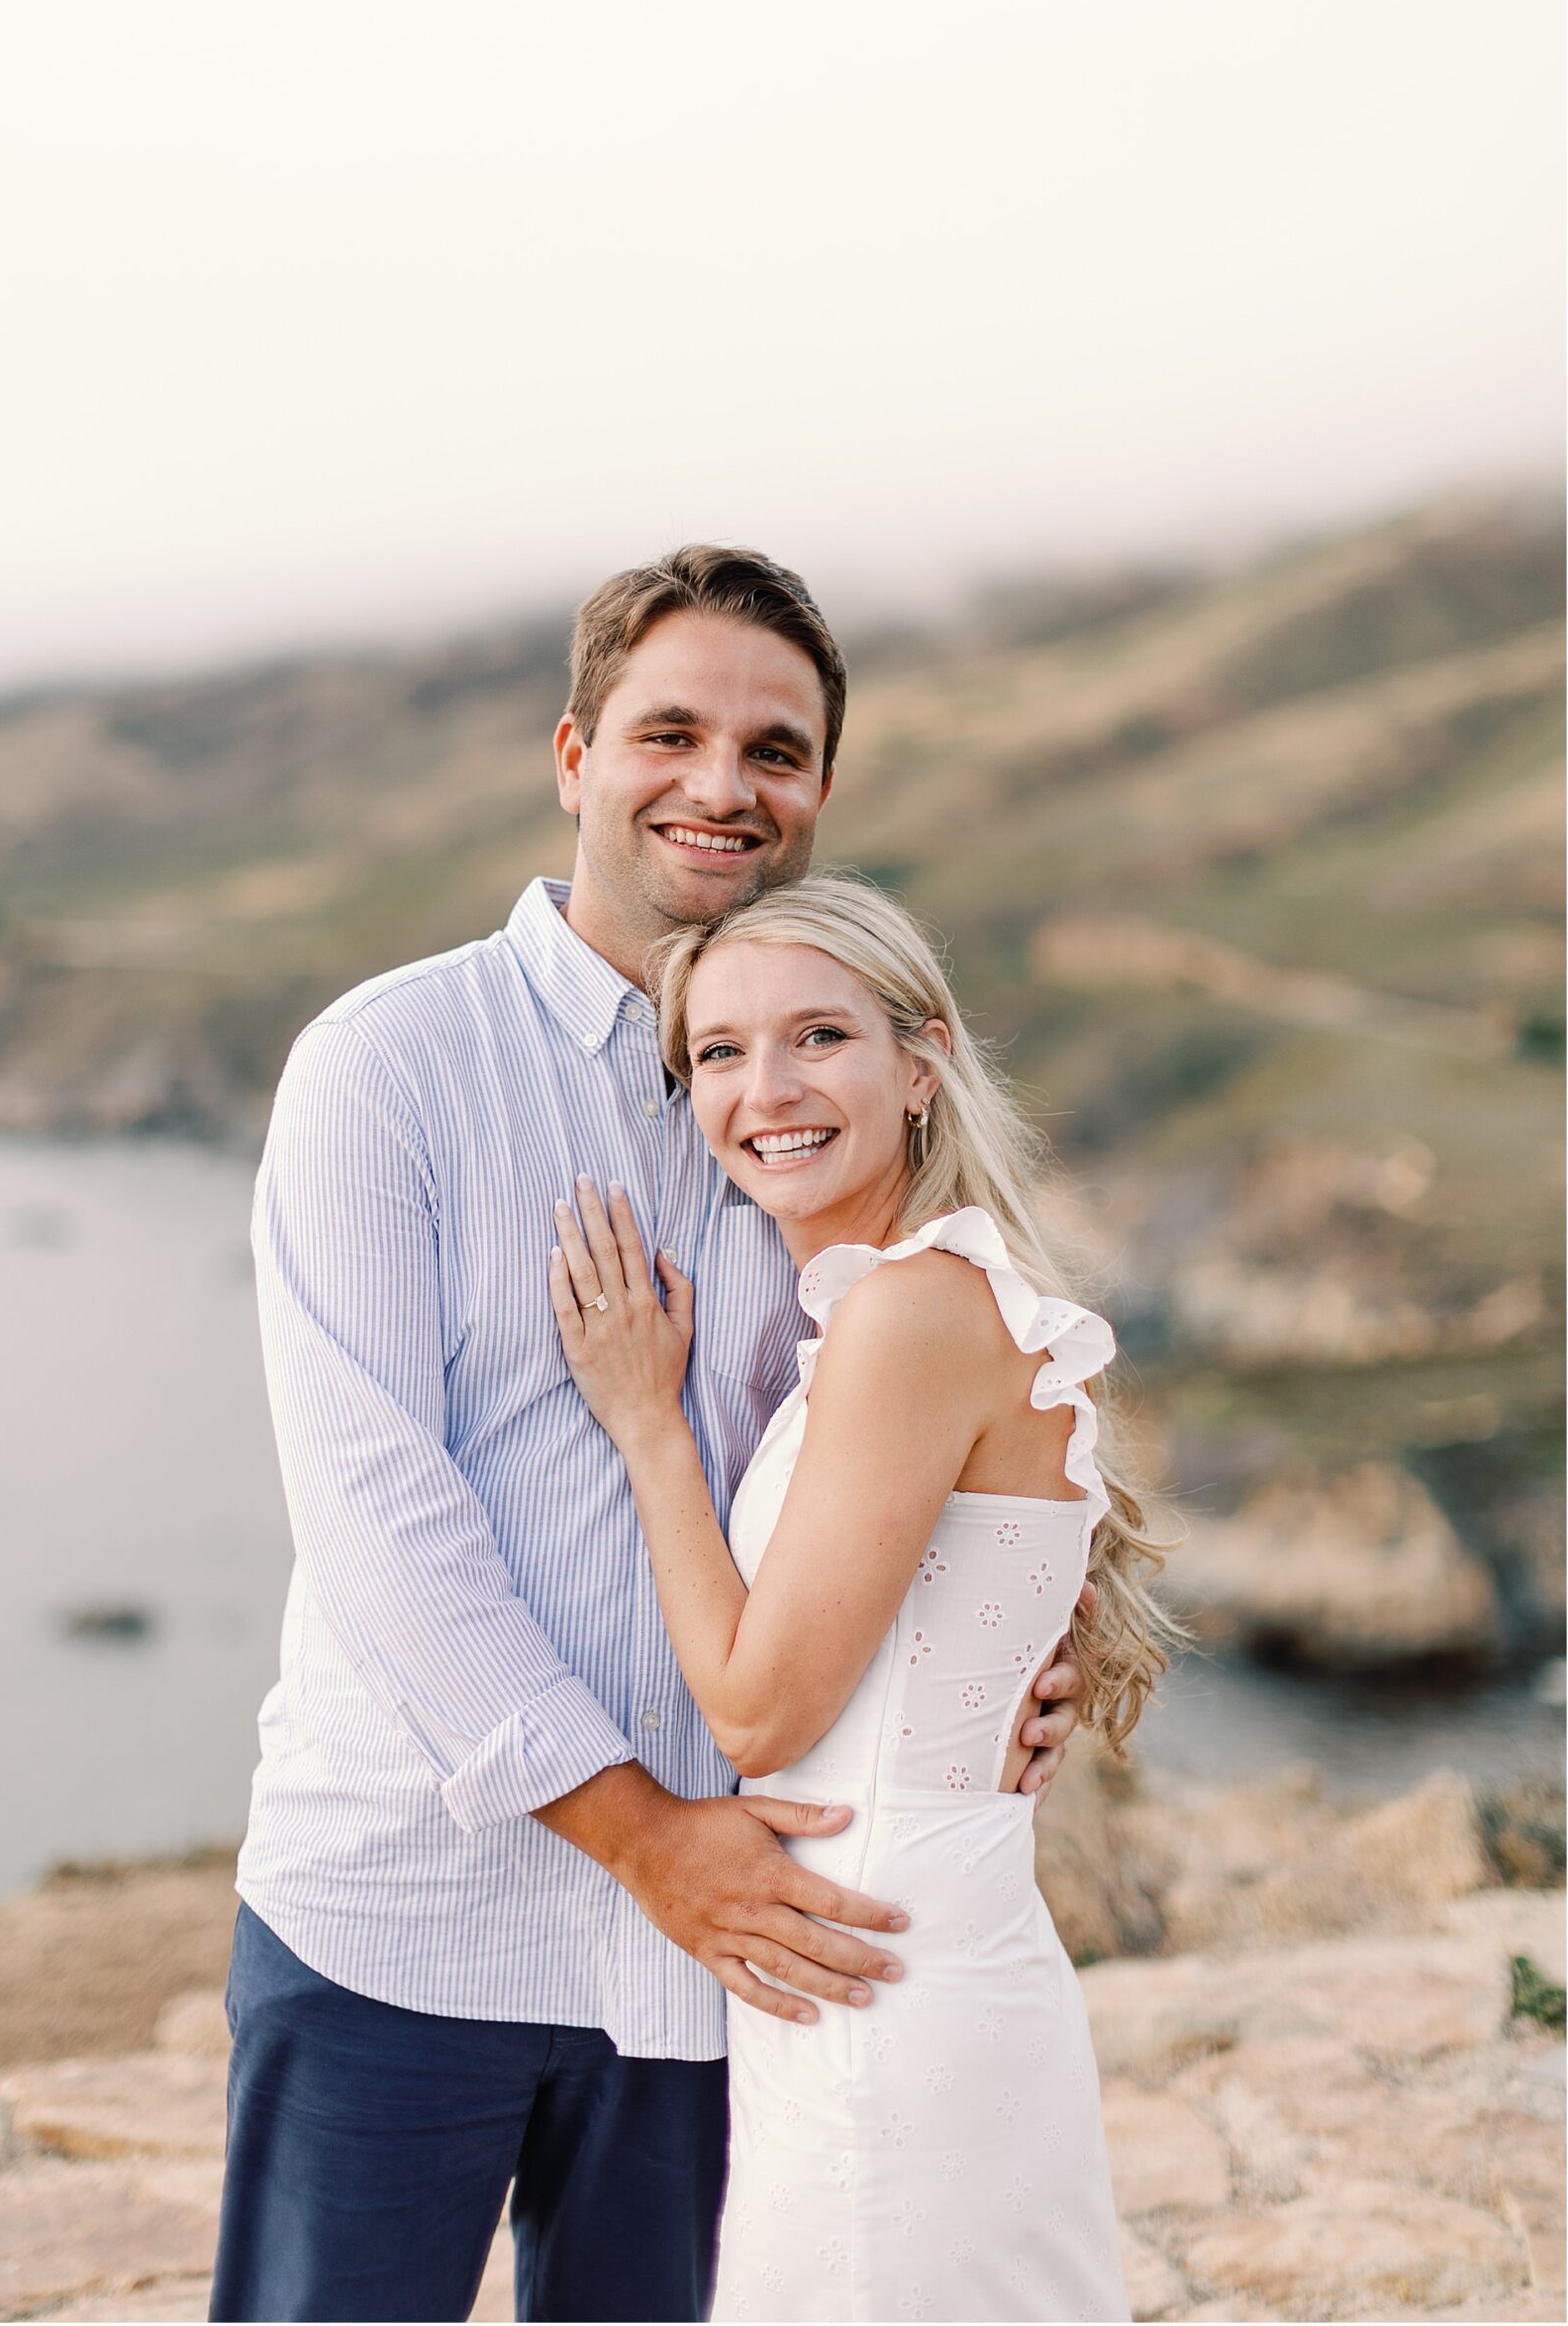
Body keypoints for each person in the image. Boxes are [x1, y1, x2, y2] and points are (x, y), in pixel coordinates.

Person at [210, 547, 1097, 2326]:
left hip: (732, 1968)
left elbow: (947, 1425)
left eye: (773, 748)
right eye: (668, 732)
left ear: (819, 793)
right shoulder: (388, 1066)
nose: (720, 783)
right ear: (572, 755)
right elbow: (381, 1517)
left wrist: (1008, 1638)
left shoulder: (805, 1106)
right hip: (411, 1916)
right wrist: (639, 1837)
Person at [547, 873, 1182, 2322]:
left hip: (875, 1995)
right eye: (716, 1052)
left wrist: (645, 1424)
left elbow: (764, 1705)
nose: (762, 1088)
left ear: (920, 1062)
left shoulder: (906, 1314)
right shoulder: (927, 1307)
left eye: (815, 1037)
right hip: (899, 1959)